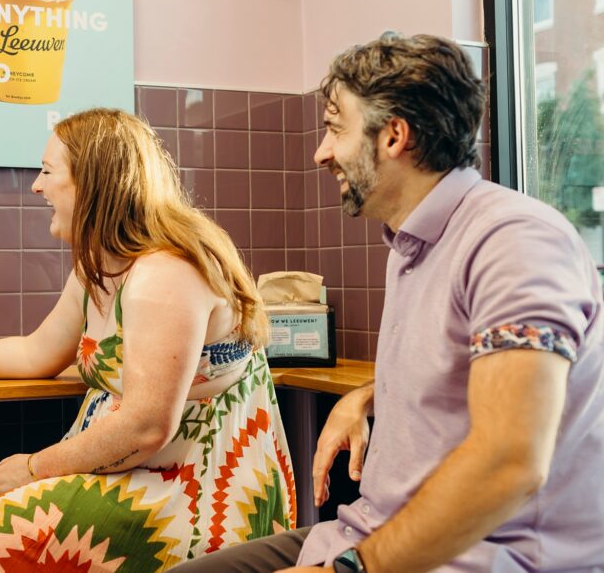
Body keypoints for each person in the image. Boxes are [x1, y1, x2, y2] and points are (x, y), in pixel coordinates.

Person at [173, 33, 604, 572]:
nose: (321, 152)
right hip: (371, 529)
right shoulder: (413, 242)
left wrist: (349, 570)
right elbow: (472, 368)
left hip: (483, 556)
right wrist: (367, 395)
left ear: (394, 136)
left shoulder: (514, 241)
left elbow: (510, 461)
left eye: (335, 129)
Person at [0, 108, 295, 570]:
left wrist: (33, 468)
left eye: (48, 172)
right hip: (135, 467)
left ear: (93, 182)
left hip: (191, 487)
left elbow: (146, 425)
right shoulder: (99, 265)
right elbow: (36, 353)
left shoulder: (165, 271)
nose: (36, 185)